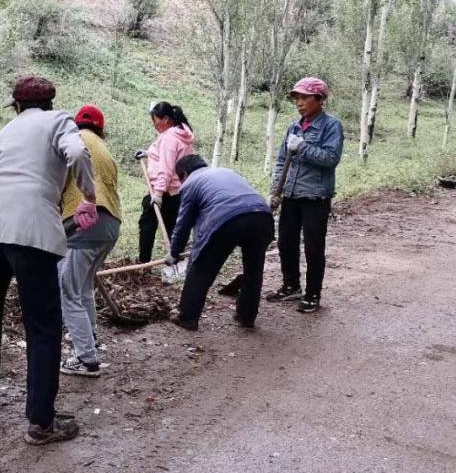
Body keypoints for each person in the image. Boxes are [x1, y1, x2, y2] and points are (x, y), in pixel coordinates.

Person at [0, 76, 98, 446]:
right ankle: (41, 421)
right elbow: (76, 153)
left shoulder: (5, 132)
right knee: (43, 326)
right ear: (51, 102)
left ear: (16, 106)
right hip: (32, 231)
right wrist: (87, 195)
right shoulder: (59, 121)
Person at [166, 154, 274, 331]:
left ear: (184, 174)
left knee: (201, 267)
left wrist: (174, 252)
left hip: (227, 219)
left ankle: (187, 317)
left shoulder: (191, 182)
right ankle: (246, 317)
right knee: (254, 270)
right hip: (261, 216)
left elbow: (183, 222)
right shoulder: (227, 172)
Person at [266, 77, 344, 314]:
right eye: (296, 99)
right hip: (291, 195)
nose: (299, 103)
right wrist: (275, 191)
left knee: (312, 248)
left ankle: (312, 294)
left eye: (304, 98)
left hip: (315, 197)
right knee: (286, 244)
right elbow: (282, 161)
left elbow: (331, 159)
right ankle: (291, 285)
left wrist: (303, 148)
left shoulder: (332, 126)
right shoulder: (293, 127)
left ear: (319, 99)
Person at [57, 105, 122, 378]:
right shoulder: (105, 151)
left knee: (67, 290)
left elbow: (58, 183)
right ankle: (90, 341)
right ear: (101, 128)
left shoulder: (72, 142)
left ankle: (86, 358)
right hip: (111, 225)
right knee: (83, 288)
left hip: (82, 221)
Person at [135, 103, 195, 263]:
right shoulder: (181, 134)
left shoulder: (169, 137)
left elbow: (167, 167)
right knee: (174, 229)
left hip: (165, 191)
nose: (153, 124)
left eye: (155, 120)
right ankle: (176, 261)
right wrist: (147, 154)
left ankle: (144, 263)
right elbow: (165, 158)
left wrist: (159, 193)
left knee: (147, 225)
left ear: (166, 119)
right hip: (178, 191)